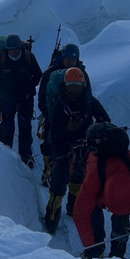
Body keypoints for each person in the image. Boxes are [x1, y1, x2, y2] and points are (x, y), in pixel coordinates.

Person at [42, 68, 110, 234]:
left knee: (78, 179)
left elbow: (105, 120)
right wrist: (69, 130)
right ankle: (52, 218)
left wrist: (99, 132)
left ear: (83, 85)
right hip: (63, 148)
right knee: (58, 183)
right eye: (71, 85)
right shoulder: (60, 104)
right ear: (65, 85)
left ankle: (72, 208)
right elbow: (54, 133)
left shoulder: (89, 102)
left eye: (77, 85)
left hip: (84, 146)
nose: (74, 88)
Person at [74, 123, 130, 259]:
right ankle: (97, 251)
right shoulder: (94, 177)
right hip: (100, 180)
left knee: (121, 223)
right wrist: (91, 246)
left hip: (121, 187)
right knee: (94, 218)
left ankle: (117, 254)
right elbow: (81, 214)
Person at [37, 42, 91, 186]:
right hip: (53, 115)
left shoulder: (81, 73)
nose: (70, 62)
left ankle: (63, 172)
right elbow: (42, 95)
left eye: (73, 60)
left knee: (71, 145)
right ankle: (49, 170)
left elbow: (87, 95)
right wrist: (47, 112)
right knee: (50, 143)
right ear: (62, 57)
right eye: (68, 59)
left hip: (75, 115)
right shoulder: (50, 73)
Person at [0, 33, 42, 168]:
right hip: (7, 99)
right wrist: (3, 91)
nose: (13, 52)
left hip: (24, 99)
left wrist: (29, 90)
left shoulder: (28, 57)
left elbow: (37, 74)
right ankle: (5, 151)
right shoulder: (0, 58)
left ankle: (25, 156)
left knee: (24, 127)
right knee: (7, 125)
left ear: (20, 48)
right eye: (11, 50)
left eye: (15, 50)